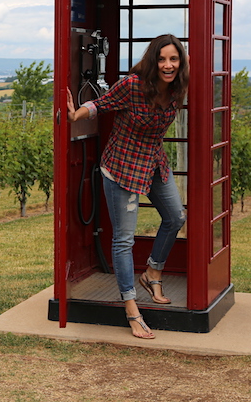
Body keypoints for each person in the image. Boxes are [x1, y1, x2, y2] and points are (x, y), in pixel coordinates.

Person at [66, 34, 189, 339]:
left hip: (153, 162)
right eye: (162, 59)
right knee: (123, 240)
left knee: (176, 217)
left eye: (173, 59)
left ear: (181, 63)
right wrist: (74, 115)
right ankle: (132, 309)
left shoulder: (177, 90)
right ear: (152, 61)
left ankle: (152, 272)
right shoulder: (133, 86)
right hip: (121, 166)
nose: (168, 65)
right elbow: (99, 103)